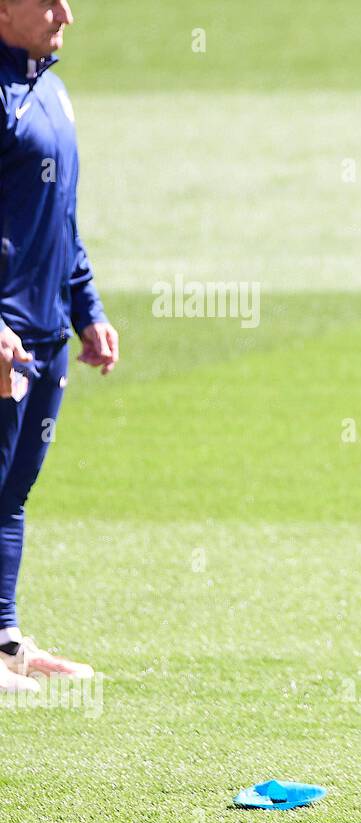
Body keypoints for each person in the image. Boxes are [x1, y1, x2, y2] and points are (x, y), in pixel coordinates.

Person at [0, 0, 117, 694]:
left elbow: (59, 214)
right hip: (5, 335)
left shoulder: (49, 87)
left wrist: (87, 308)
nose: (65, 13)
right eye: (47, 0)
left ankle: (5, 636)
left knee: (12, 493)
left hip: (43, 329)